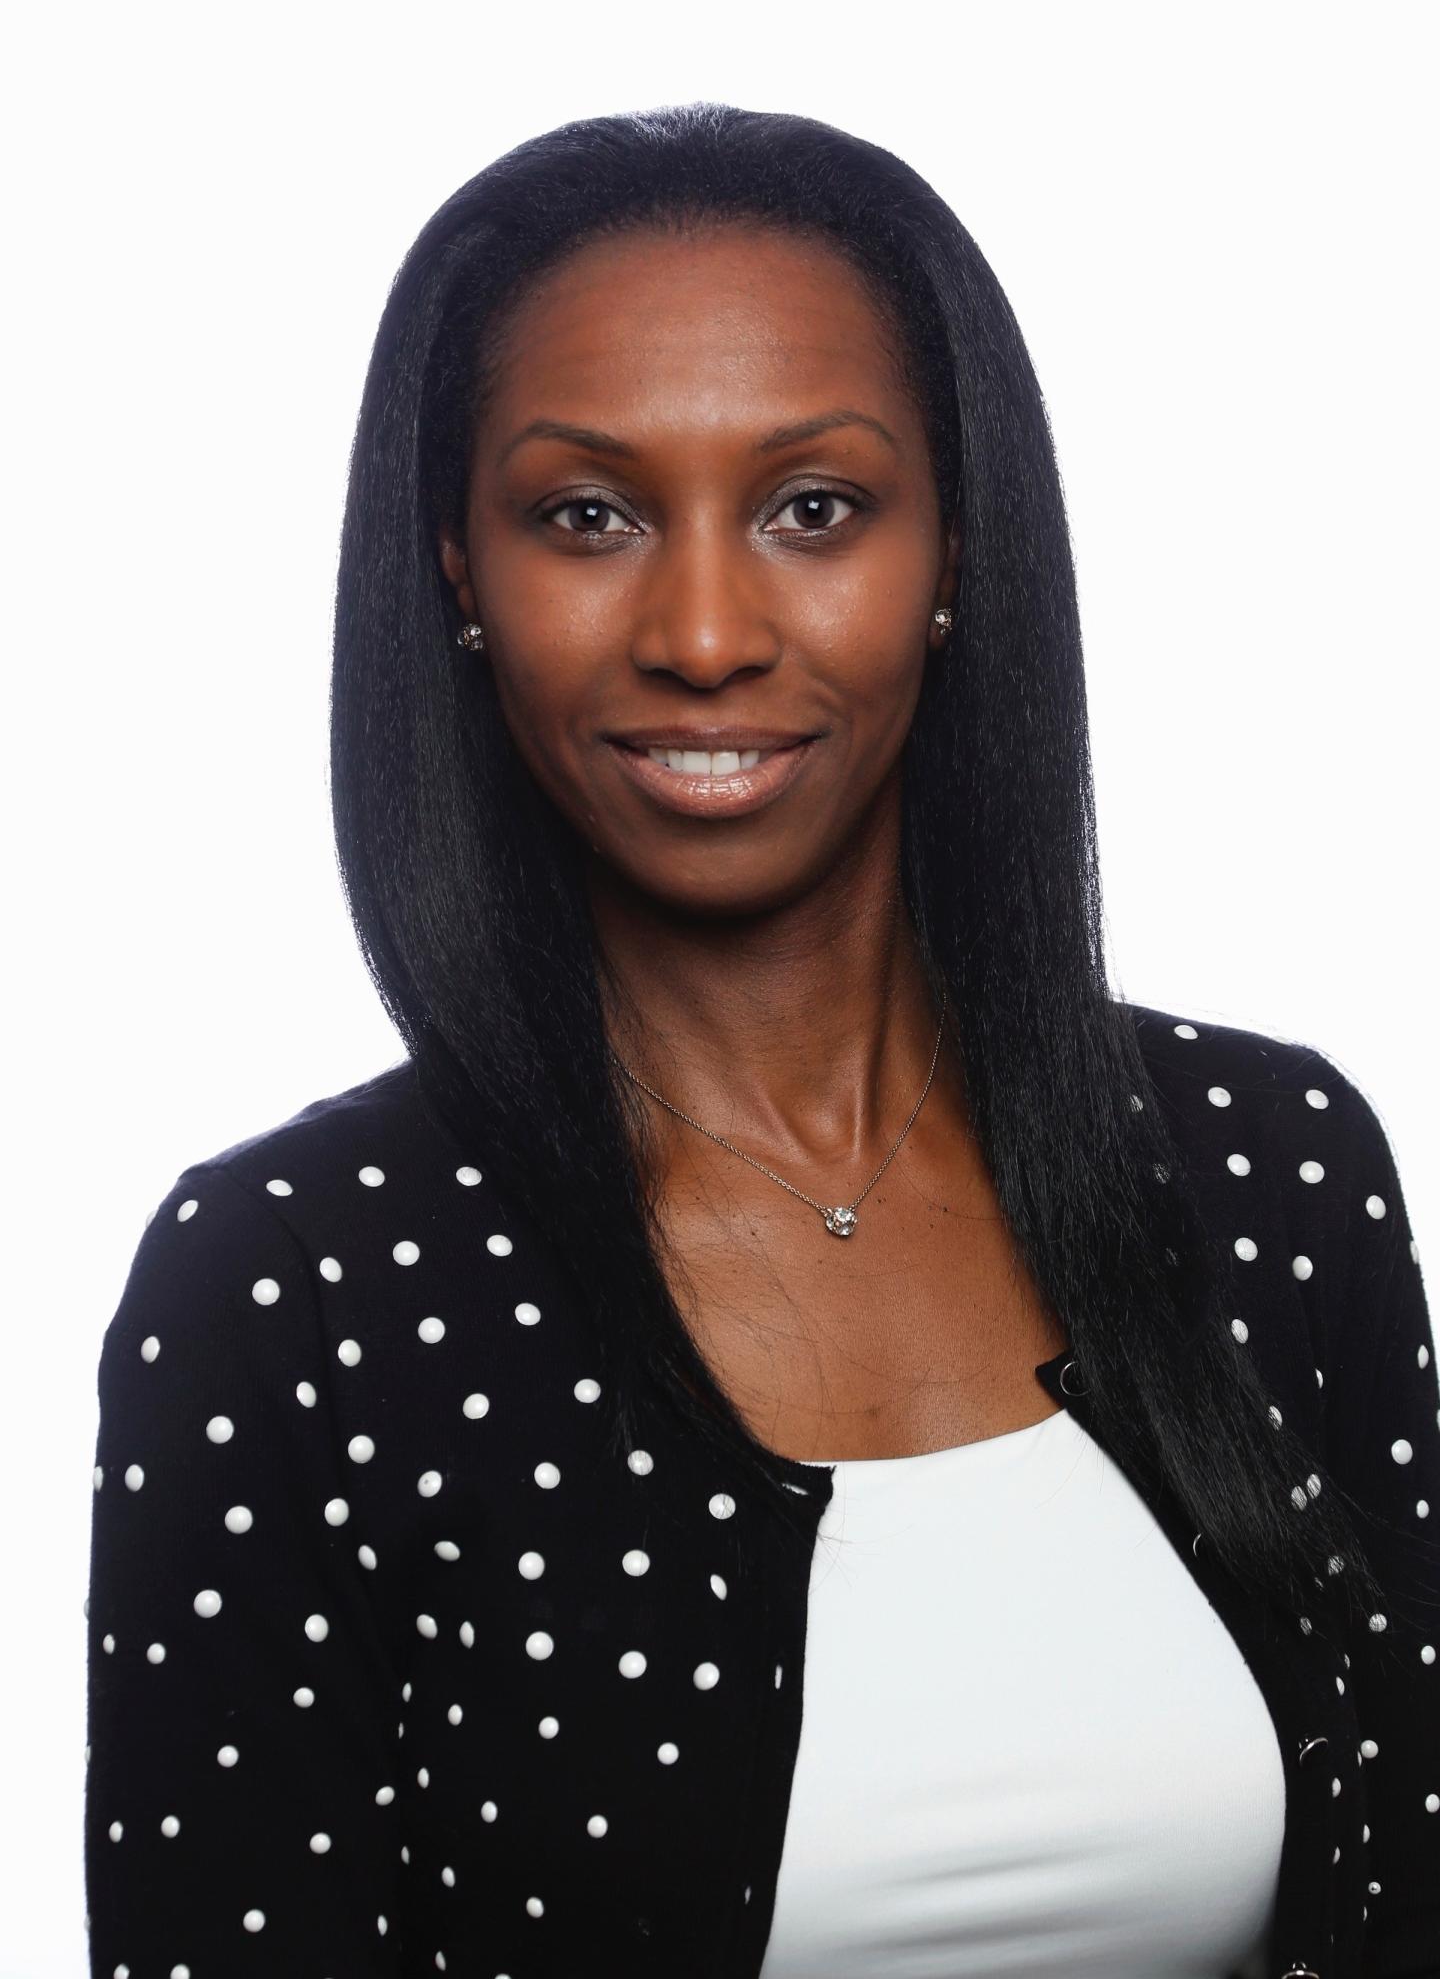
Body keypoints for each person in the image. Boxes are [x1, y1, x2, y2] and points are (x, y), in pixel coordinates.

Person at [84, 102, 1438, 1979]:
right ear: (460, 572)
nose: (707, 634)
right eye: (588, 515)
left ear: (955, 547)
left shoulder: (1263, 1166)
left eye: (814, 508)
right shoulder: (296, 1288)